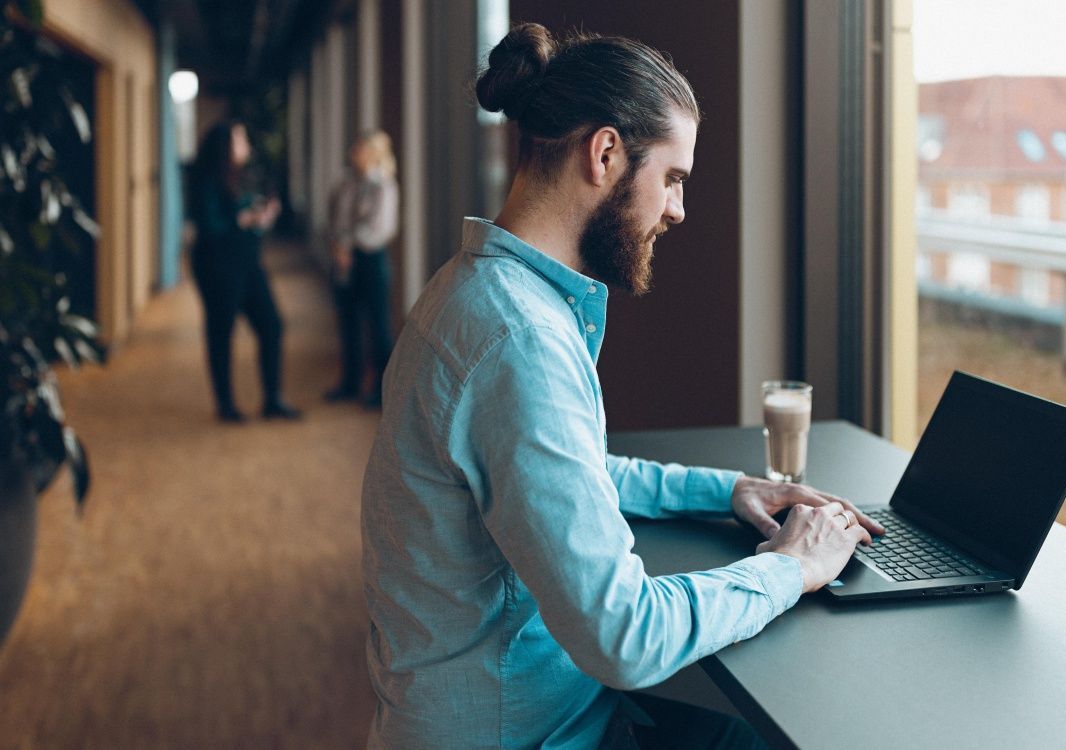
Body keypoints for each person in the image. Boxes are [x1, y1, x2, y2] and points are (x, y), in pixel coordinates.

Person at [361, 23, 884, 749]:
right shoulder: (522, 342)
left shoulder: (475, 291)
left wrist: (727, 491)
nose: (677, 210)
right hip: (527, 731)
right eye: (671, 178)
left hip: (516, 707)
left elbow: (558, 472)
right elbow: (624, 637)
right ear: (604, 153)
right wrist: (790, 568)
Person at [188, 120, 301, 423]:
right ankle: (226, 405)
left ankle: (273, 399)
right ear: (225, 146)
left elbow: (244, 221)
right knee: (221, 333)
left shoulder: (241, 176)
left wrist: (261, 219)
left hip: (247, 263)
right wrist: (246, 219)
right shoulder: (206, 180)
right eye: (240, 140)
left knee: (272, 325)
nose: (246, 145)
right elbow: (211, 227)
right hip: (216, 267)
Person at [324, 131, 400, 409]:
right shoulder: (345, 183)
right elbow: (334, 217)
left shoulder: (384, 186)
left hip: (370, 258)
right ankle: (350, 382)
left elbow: (382, 228)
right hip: (343, 258)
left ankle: (381, 390)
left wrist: (350, 245)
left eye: (359, 148)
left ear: (372, 153)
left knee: (378, 324)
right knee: (348, 321)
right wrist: (338, 246)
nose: (353, 152)